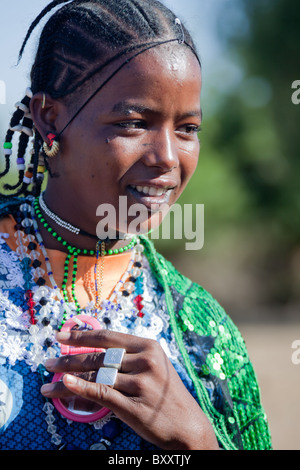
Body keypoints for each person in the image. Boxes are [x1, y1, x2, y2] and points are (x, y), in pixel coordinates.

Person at [0, 0, 272, 450]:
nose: (168, 157)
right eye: (134, 122)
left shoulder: (201, 328)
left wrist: (197, 439)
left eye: (187, 129)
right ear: (50, 118)